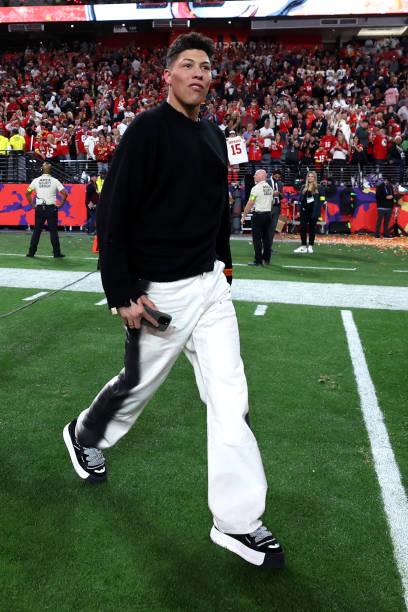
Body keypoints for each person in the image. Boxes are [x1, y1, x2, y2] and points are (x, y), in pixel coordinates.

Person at [62, 32, 284, 570]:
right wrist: (120, 291)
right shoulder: (145, 130)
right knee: (136, 385)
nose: (199, 73)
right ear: (168, 75)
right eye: (188, 65)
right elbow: (114, 212)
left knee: (231, 398)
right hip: (161, 293)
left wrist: (223, 266)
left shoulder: (213, 132)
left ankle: (237, 523)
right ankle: (84, 432)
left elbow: (215, 208)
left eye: (206, 66)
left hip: (209, 287)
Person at [26, 162, 67, 258]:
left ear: (42, 170)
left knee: (36, 231)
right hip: (51, 209)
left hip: (39, 208)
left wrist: (33, 205)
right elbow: (65, 193)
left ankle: (31, 253)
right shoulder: (55, 180)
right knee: (53, 231)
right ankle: (57, 253)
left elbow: (27, 193)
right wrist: (61, 204)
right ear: (50, 170)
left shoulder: (36, 180)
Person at [241, 168, 273, 266]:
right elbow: (271, 203)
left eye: (255, 174)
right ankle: (266, 259)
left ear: (261, 176)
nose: (254, 176)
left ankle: (258, 261)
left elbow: (250, 202)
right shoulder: (269, 187)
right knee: (267, 239)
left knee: (257, 239)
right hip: (268, 215)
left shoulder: (256, 188)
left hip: (259, 215)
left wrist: (244, 215)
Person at [294, 170, 324, 254]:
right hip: (304, 211)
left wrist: (316, 208)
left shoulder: (319, 187)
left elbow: (322, 200)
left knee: (312, 229)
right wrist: (299, 210)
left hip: (314, 212)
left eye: (312, 176)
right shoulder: (303, 187)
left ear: (315, 178)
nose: (310, 178)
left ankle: (310, 246)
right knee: (303, 229)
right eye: (309, 176)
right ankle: (303, 246)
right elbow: (300, 200)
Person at [267, 168, 283, 255]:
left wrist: (280, 194)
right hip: (268, 207)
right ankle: (263, 247)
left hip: (276, 208)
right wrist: (272, 193)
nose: (277, 178)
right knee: (266, 228)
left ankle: (269, 247)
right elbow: (263, 194)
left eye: (278, 177)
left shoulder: (280, 184)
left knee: (272, 229)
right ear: (272, 175)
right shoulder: (267, 182)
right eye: (276, 177)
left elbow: (282, 196)